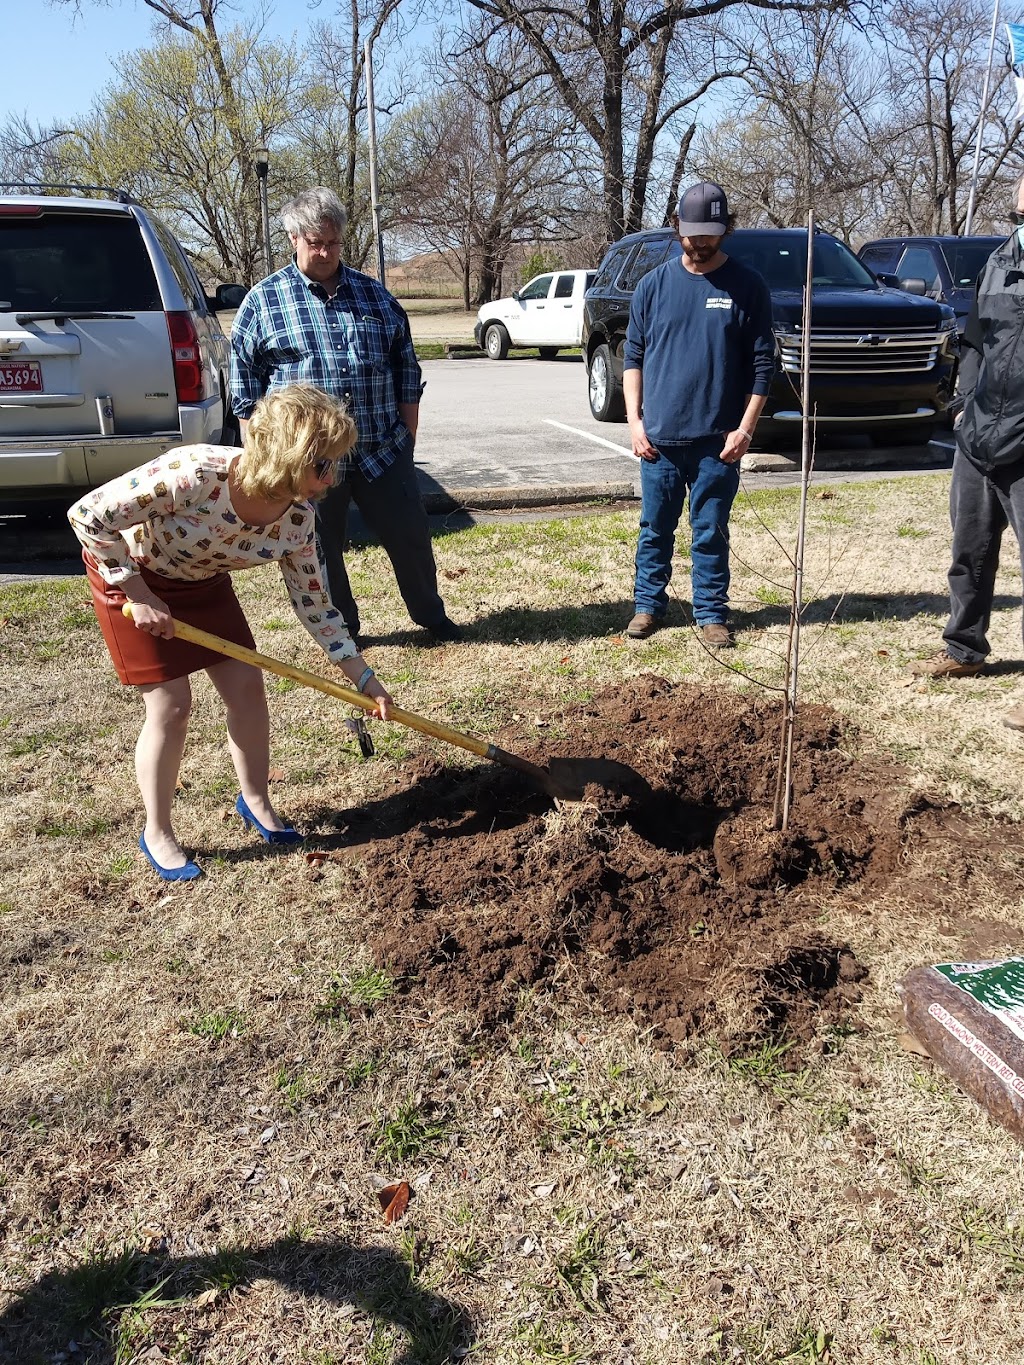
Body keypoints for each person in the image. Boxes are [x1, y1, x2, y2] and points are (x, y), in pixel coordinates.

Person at [68, 383, 394, 882]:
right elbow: (89, 516)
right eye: (322, 465)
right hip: (130, 575)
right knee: (172, 705)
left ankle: (256, 800)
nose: (330, 480)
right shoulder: (195, 474)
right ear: (287, 455)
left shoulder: (297, 521)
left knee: (246, 688)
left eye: (335, 465)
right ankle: (157, 831)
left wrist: (363, 677)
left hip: (202, 582)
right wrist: (139, 593)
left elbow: (314, 605)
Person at [229, 185, 461, 646]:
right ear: (293, 238)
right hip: (306, 461)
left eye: (333, 242)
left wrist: (407, 439)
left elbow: (405, 369)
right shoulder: (262, 302)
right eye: (315, 241)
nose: (325, 251)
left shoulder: (376, 297)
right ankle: (345, 629)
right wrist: (263, 458)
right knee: (318, 548)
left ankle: (431, 615)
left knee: (410, 536)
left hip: (382, 449)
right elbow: (244, 389)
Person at [622, 181, 776, 645]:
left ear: (726, 229)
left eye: (710, 233)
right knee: (655, 529)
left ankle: (711, 613)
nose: (701, 242)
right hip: (659, 442)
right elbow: (633, 357)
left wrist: (744, 430)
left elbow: (763, 364)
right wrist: (634, 421)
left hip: (719, 443)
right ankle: (648, 606)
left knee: (710, 530)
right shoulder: (653, 286)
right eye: (692, 234)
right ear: (677, 229)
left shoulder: (747, 285)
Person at [908, 178, 1024, 731]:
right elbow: (975, 342)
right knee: (969, 549)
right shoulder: (1000, 262)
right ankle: (963, 649)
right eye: (1020, 212)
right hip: (978, 436)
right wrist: (961, 408)